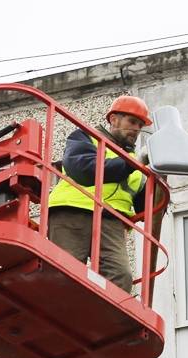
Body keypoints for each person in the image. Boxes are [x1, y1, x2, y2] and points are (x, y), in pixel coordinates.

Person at [47, 95, 152, 293]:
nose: (136, 129)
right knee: (65, 271)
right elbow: (85, 170)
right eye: (132, 122)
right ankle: (63, 313)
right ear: (114, 119)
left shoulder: (135, 163)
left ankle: (104, 321)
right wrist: (134, 163)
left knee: (121, 276)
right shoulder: (86, 137)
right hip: (73, 211)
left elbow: (144, 207)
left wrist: (160, 173)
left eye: (140, 125)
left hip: (110, 221)